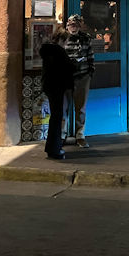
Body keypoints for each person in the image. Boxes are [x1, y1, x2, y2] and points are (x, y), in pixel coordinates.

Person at [39, 29, 75, 160]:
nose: (66, 44)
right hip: (57, 87)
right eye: (66, 41)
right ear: (61, 39)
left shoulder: (47, 50)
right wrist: (74, 64)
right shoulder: (59, 51)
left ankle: (52, 147)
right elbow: (66, 68)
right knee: (57, 117)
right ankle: (54, 149)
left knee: (55, 117)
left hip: (49, 86)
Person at [63, 14, 95, 148]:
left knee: (81, 108)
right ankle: (62, 135)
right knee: (63, 107)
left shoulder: (85, 38)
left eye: (75, 25)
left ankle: (80, 135)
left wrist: (90, 72)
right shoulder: (62, 38)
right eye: (71, 25)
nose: (73, 28)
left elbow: (90, 56)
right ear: (67, 26)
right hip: (65, 77)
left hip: (82, 76)